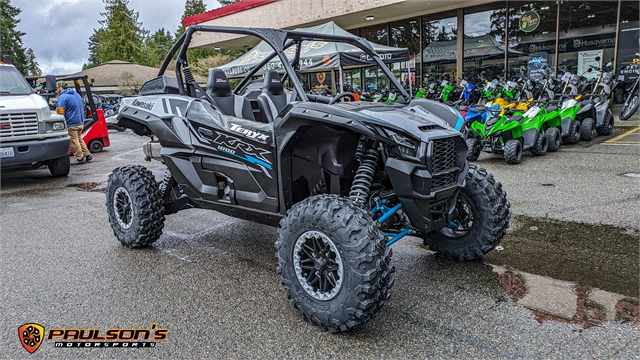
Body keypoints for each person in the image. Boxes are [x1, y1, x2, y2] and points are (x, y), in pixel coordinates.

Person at [56, 81, 92, 165]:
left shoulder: (63, 97)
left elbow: (61, 112)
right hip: (80, 122)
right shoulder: (76, 95)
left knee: (73, 141)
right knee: (79, 139)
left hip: (71, 123)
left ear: (60, 88)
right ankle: (87, 154)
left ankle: (80, 158)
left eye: (57, 88)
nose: (57, 90)